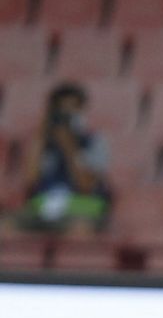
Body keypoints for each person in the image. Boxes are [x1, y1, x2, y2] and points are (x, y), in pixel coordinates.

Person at [20, 83, 110, 232]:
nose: (67, 114)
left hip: (81, 208)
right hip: (45, 207)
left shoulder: (95, 141)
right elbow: (31, 181)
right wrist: (40, 140)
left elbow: (86, 186)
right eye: (61, 110)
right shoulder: (44, 143)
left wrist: (69, 147)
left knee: (80, 229)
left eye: (73, 108)